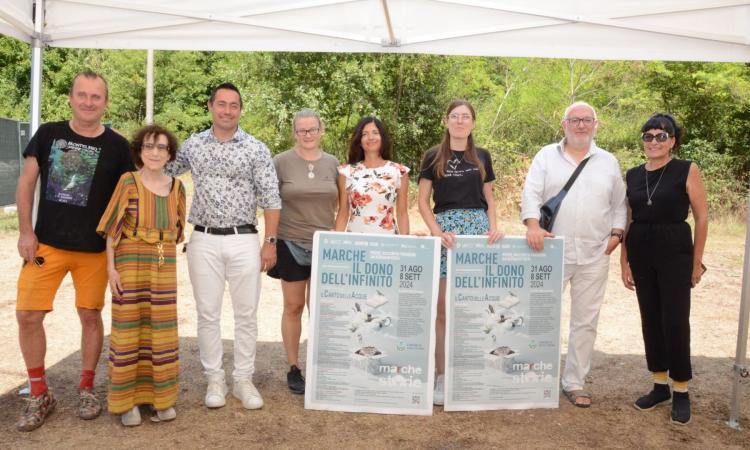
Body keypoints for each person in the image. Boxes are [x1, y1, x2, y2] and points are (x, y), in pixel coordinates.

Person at [14, 70, 134, 431]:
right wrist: (24, 231)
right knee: (28, 316)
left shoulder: (118, 146)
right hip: (45, 243)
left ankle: (86, 387)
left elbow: (128, 197)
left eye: (96, 97)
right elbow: (26, 182)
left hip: (94, 249)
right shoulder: (49, 133)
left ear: (105, 102)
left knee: (90, 315)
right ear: (70, 97)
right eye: (82, 95)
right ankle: (39, 393)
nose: (88, 102)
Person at [166, 82, 281, 410]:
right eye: (222, 104)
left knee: (246, 314)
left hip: (244, 238)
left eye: (234, 105)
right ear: (210, 107)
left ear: (240, 110)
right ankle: (214, 379)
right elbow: (161, 168)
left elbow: (271, 197)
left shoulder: (255, 148)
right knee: (207, 314)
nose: (227, 110)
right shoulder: (193, 145)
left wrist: (269, 243)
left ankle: (243, 380)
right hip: (202, 239)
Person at [521, 101, 627, 408]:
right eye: (574, 120)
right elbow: (531, 193)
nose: (580, 125)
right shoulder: (545, 156)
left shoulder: (608, 161)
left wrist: (617, 234)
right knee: (541, 315)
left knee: (585, 321)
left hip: (595, 252)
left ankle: (574, 382)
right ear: (564, 124)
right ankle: (535, 376)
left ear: (596, 125)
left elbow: (620, 204)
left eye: (586, 120)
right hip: (550, 250)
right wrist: (532, 225)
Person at [620, 113, 708, 425]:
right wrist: (624, 261)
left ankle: (681, 389)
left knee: (674, 320)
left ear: (673, 141)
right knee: (650, 318)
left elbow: (701, 217)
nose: (654, 141)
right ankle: (659, 385)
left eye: (662, 135)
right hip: (641, 248)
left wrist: (696, 262)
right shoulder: (631, 174)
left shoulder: (686, 169)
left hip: (675, 249)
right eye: (649, 135)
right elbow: (628, 219)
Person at [97, 125, 186, 426]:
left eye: (161, 147)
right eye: (149, 146)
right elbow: (112, 230)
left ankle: (161, 399)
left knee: (160, 330)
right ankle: (126, 402)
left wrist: (161, 254)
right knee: (128, 328)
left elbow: (176, 233)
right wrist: (111, 269)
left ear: (170, 154)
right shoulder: (128, 181)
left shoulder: (177, 188)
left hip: (162, 261)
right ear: (139, 151)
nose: (155, 152)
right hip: (129, 260)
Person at [417, 100, 503, 405]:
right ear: (446, 120)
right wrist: (437, 233)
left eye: (465, 117)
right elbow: (423, 201)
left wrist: (493, 227)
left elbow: (490, 198)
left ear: (473, 123)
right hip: (446, 235)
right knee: (442, 311)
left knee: (476, 308)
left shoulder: (482, 156)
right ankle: (441, 375)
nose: (460, 121)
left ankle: (471, 372)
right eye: (455, 116)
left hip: (476, 234)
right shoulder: (433, 156)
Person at [267, 109, 340, 394]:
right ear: (294, 133)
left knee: (322, 310)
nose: (307, 135)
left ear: (321, 131)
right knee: (294, 307)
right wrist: (270, 241)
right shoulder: (280, 162)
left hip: (326, 245)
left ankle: (323, 365)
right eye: (302, 130)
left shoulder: (334, 164)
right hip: (290, 241)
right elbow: (270, 202)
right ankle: (294, 367)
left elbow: (345, 204)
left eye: (312, 130)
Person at [335, 116, 410, 235]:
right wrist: (334, 240)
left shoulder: (399, 172)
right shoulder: (346, 172)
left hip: (388, 243)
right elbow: (343, 213)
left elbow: (402, 213)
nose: (370, 137)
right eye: (365, 134)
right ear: (359, 140)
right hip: (355, 243)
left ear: (382, 138)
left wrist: (406, 242)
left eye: (375, 133)